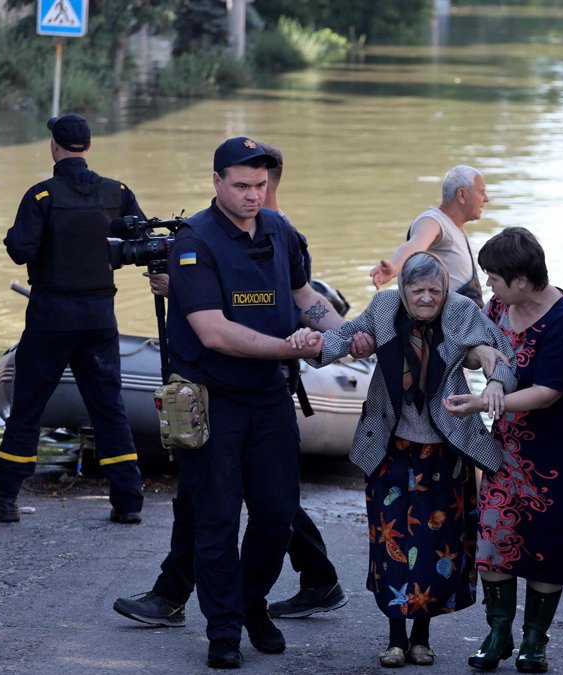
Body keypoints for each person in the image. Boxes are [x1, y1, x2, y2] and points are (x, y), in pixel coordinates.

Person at [113, 141, 349, 631]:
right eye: (242, 185)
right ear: (217, 181)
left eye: (261, 185)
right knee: (211, 511)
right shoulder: (197, 241)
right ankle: (215, 619)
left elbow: (304, 295)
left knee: (273, 510)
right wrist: (291, 347)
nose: (254, 195)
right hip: (212, 397)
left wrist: (346, 334)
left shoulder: (279, 230)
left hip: (270, 396)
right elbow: (214, 331)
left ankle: (249, 600)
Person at [291, 251, 516, 668]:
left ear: (446, 289)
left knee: (437, 545)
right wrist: (313, 346)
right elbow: (344, 338)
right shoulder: (384, 306)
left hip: (444, 450)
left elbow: (501, 351)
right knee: (390, 542)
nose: (427, 298)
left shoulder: (461, 309)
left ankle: (422, 637)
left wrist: (496, 379)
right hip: (390, 447)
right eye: (418, 290)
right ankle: (395, 638)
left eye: (435, 289)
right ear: (404, 290)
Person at [442, 227, 563, 673]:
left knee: (547, 543)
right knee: (494, 535)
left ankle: (535, 640)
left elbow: (547, 394)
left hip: (561, 446)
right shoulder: (499, 306)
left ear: (524, 281)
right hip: (508, 445)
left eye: (495, 277)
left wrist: (482, 402)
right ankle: (498, 633)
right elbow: (479, 347)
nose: (488, 285)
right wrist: (481, 355)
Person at [0, 113, 144, 524]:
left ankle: (4, 500)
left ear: (54, 146)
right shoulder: (118, 193)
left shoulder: (42, 196)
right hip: (99, 318)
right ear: (88, 147)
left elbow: (19, 249)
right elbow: (140, 243)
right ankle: (128, 502)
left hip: (51, 316)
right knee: (108, 407)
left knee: (29, 407)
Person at [369, 165, 488, 305]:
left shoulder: (455, 228)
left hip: (466, 319)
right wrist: (394, 266)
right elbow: (416, 244)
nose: (486, 199)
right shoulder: (432, 221)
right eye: (481, 192)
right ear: (462, 195)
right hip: (448, 323)